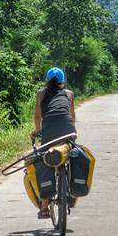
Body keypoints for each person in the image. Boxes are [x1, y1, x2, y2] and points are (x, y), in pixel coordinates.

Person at [31, 66, 77, 218]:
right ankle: (71, 193)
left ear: (47, 80)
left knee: (45, 162)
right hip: (68, 131)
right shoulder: (69, 94)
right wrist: (72, 132)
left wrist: (37, 131)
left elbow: (38, 116)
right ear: (62, 81)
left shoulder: (40, 94)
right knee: (70, 155)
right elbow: (72, 116)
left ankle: (44, 207)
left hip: (49, 133)